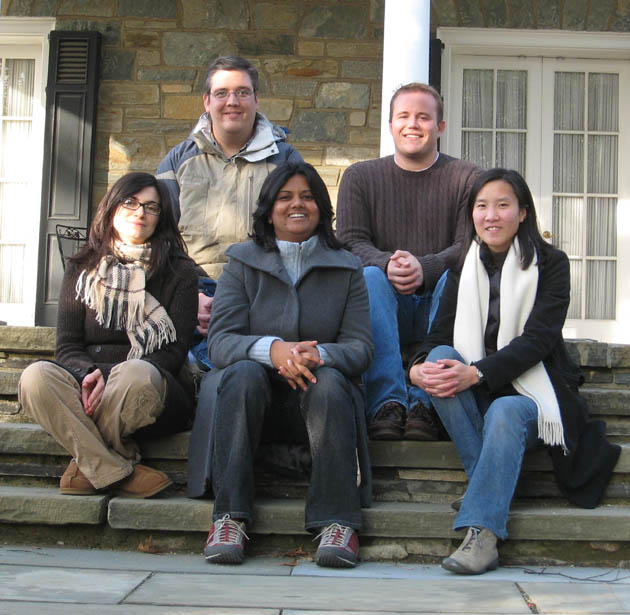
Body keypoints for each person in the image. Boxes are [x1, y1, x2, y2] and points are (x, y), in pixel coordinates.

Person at [408, 168, 621, 574]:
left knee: (505, 409)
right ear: (471, 214)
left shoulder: (552, 264)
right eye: (482, 206)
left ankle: (483, 533)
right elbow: (435, 335)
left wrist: (477, 374)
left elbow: (538, 341)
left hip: (536, 396)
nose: (491, 216)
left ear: (523, 212)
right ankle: (489, 485)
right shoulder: (461, 268)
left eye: (502, 205)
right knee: (438, 357)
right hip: (476, 399)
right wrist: (417, 371)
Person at [187, 162, 374, 568]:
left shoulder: (348, 267)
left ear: (322, 208)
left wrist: (318, 355)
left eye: (307, 196)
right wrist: (272, 350)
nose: (297, 204)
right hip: (251, 406)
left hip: (322, 408)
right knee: (241, 373)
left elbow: (361, 348)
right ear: (269, 208)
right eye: (285, 197)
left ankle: (338, 523)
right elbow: (220, 343)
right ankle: (229, 519)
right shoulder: (242, 262)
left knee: (327, 381)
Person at [18, 172, 198, 498]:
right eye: (130, 202)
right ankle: (115, 468)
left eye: (151, 207)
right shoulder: (83, 266)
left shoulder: (179, 271)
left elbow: (173, 351)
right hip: (88, 383)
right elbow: (68, 345)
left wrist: (108, 377)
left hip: (152, 387)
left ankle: (86, 466)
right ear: (112, 208)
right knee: (35, 377)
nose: (140, 212)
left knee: (136, 372)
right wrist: (88, 374)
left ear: (162, 217)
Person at [336, 82, 480, 441]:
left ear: (440, 127)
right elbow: (348, 240)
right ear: (390, 125)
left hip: (441, 301)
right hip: (384, 301)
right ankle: (387, 404)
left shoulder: (468, 178)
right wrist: (387, 264)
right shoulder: (360, 176)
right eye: (403, 116)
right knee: (368, 276)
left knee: (458, 274)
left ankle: (425, 404)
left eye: (423, 117)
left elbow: (471, 243)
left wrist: (425, 267)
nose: (412, 124)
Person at [156, 55, 302, 366]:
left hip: (261, 292)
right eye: (222, 93)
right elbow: (158, 238)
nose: (232, 101)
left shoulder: (287, 161)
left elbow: (303, 239)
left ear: (256, 99)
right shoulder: (177, 160)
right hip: (192, 291)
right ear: (207, 101)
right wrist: (186, 297)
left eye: (242, 92)